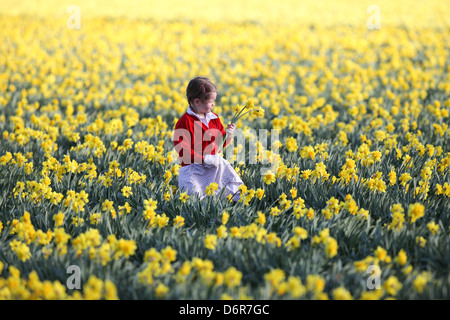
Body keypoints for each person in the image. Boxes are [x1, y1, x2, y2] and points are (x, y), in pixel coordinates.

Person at [173, 77, 243, 201]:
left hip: (213, 167)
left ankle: (236, 203)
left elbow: (220, 144)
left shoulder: (214, 118)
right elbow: (184, 152)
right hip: (193, 169)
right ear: (196, 102)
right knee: (195, 199)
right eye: (210, 102)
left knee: (230, 187)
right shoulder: (184, 122)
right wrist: (204, 159)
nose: (213, 104)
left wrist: (229, 134)